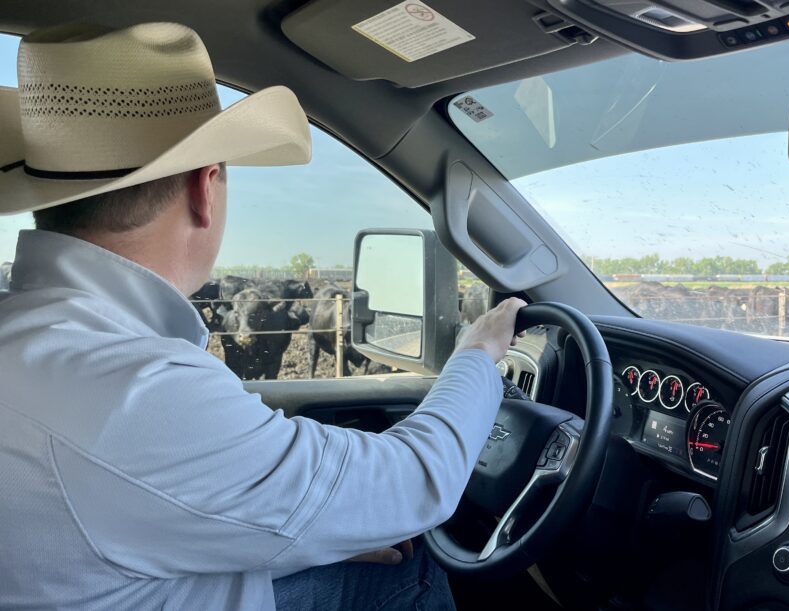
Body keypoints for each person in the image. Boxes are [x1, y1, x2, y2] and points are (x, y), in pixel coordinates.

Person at [0, 22, 525, 610]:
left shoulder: (31, 341)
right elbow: (418, 482)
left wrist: (294, 540)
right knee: (415, 567)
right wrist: (477, 353)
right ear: (206, 188)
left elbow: (134, 510)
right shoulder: (131, 387)